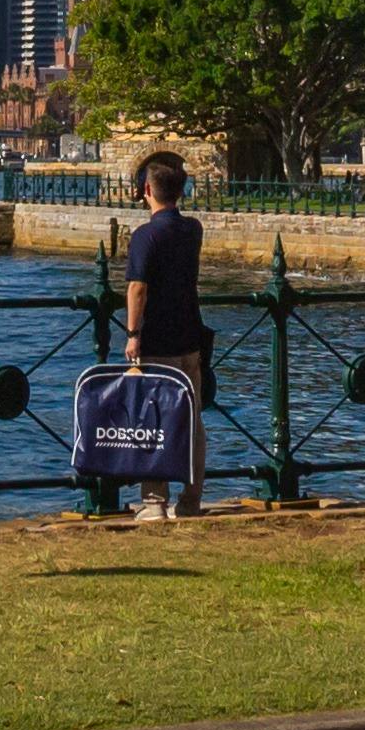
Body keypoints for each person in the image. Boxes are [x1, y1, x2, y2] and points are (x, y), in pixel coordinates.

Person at [123, 149, 211, 517]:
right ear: (181, 192)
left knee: (153, 419)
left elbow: (137, 289)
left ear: (146, 189)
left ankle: (154, 501)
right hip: (190, 337)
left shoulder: (145, 236)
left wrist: (132, 333)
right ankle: (191, 499)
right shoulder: (193, 230)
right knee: (191, 419)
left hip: (156, 339)